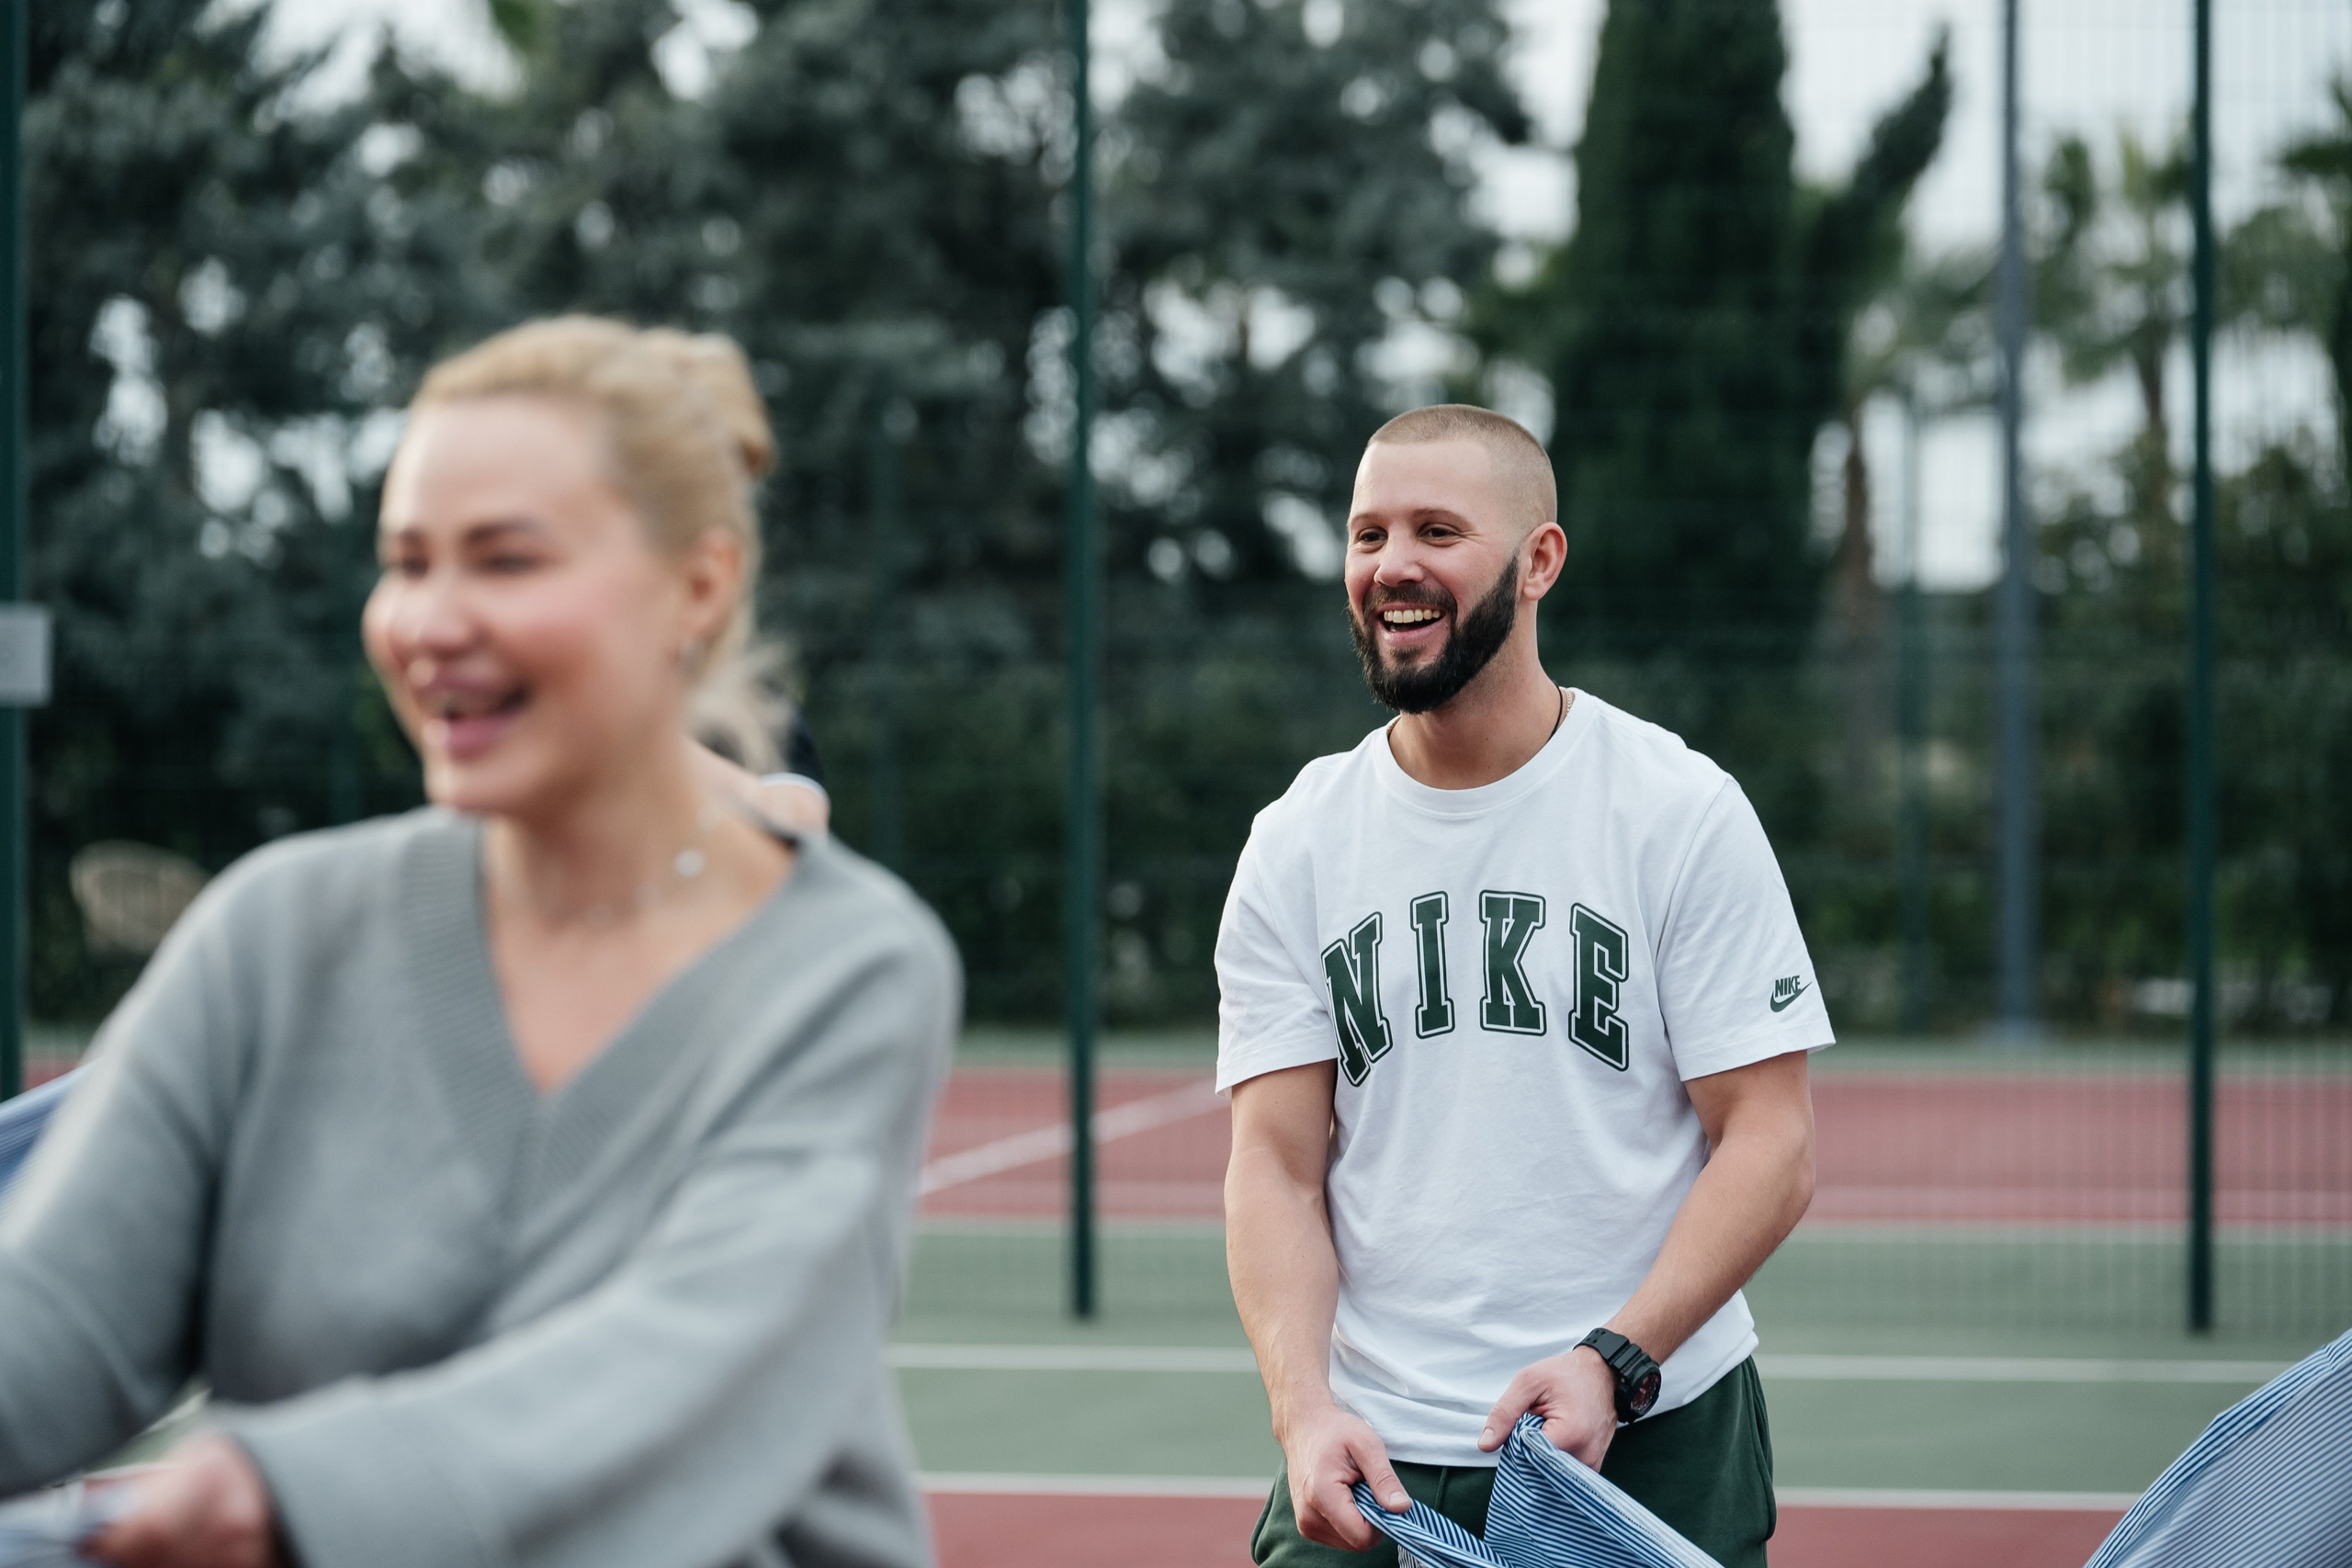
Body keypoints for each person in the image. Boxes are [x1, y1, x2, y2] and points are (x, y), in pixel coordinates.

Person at [0, 317, 958, 1568]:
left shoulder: (848, 970)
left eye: (505, 561)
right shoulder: (272, 933)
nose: (431, 621)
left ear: (701, 585)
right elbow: (55, 1320)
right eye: (406, 563)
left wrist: (283, 1490)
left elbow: (675, 1370)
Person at [1218, 404, 1828, 1568]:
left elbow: (1770, 1140)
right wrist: (1302, 1413)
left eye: (1437, 531)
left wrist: (1615, 1359)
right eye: (1367, 534)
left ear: (1538, 560)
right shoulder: (1297, 841)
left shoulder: (1675, 811)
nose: (1392, 564)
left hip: (1647, 1431)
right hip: (1374, 1455)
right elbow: (1275, 1167)